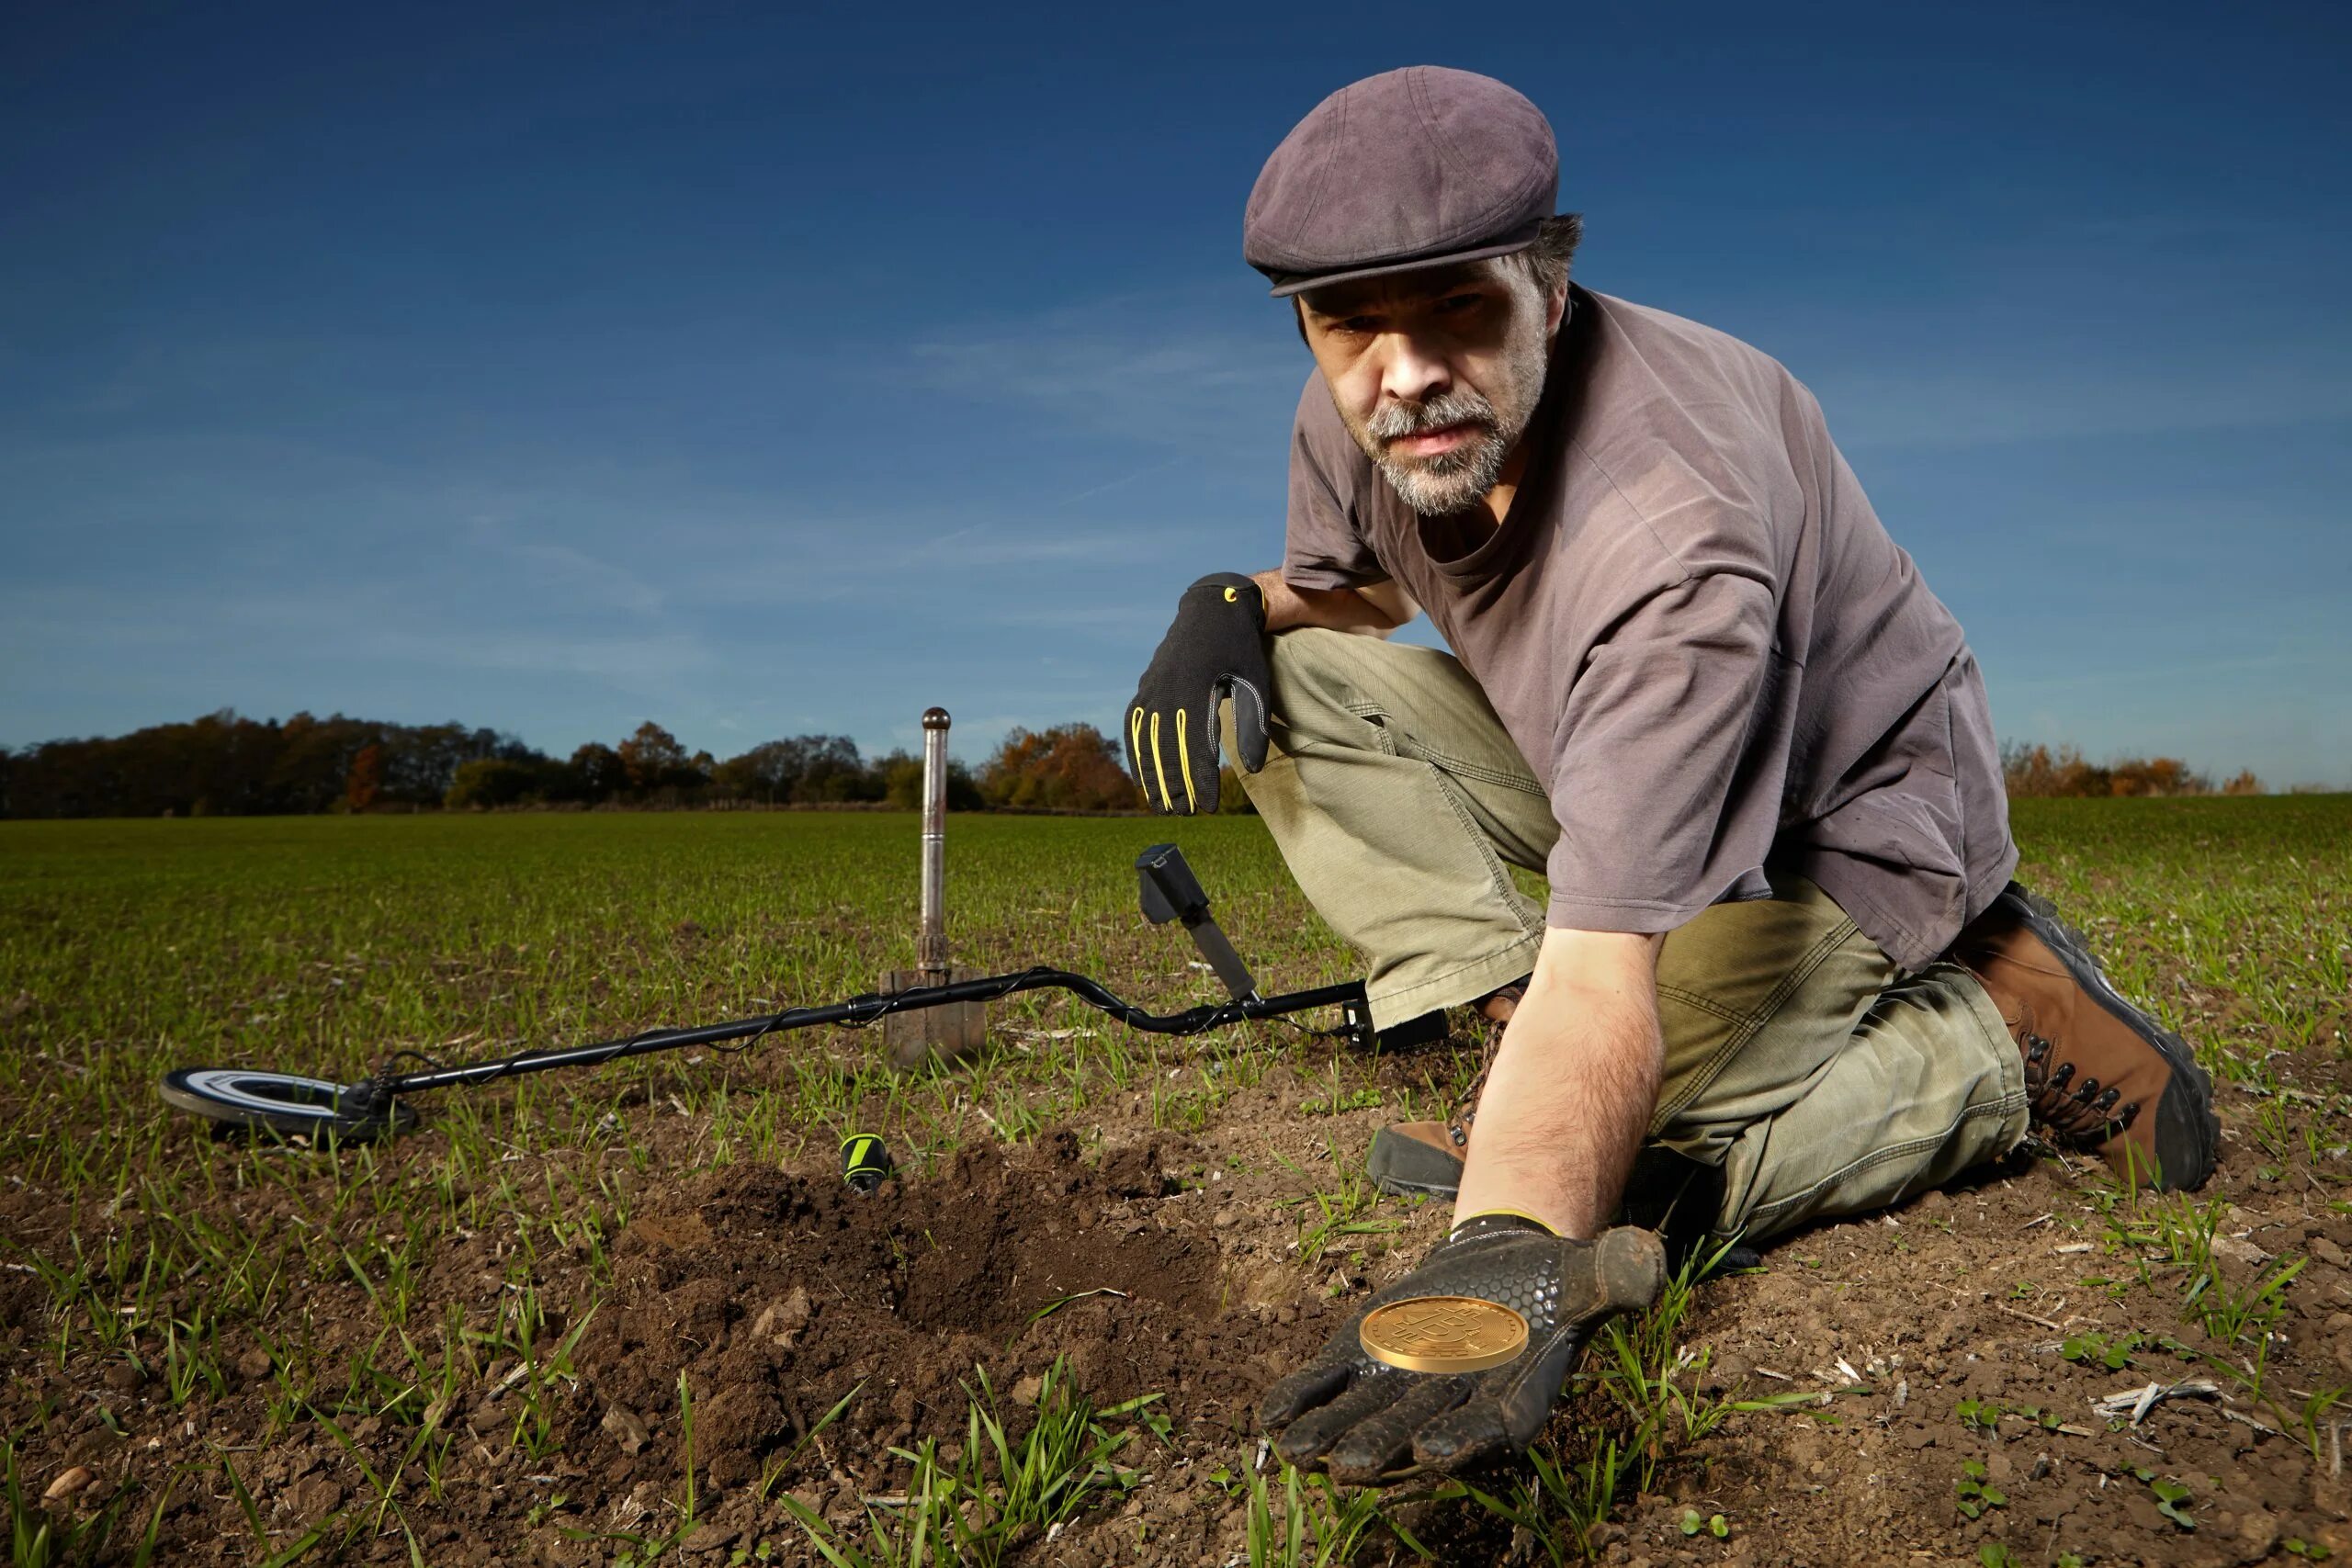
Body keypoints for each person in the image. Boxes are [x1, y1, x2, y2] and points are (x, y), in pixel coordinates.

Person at [1121, 65, 2218, 1484]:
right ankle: (1499, 1022)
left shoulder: (1673, 533)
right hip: (1602, 754)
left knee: (1618, 1175)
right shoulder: (1357, 417)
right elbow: (1358, 605)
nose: (1403, 374)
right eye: (1349, 326)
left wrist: (1502, 1248)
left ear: (1550, 284)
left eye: (1460, 306)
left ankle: (1982, 1049)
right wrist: (1230, 604)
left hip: (1842, 821)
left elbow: (1602, 972)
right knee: (1299, 691)